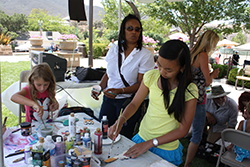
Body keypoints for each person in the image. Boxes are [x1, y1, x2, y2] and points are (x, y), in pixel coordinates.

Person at [108, 40, 198, 166]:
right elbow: (134, 104)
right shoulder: (151, 76)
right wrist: (120, 121)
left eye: (168, 70)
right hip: (142, 138)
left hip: (166, 148)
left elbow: (183, 130)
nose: (162, 72)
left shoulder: (189, 89)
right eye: (159, 65)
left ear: (182, 68)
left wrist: (150, 143)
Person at [91, 14, 154, 139]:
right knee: (103, 133)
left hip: (127, 102)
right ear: (123, 31)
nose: (134, 32)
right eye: (130, 28)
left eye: (137, 29)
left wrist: (120, 91)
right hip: (108, 100)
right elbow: (109, 73)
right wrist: (99, 87)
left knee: (123, 138)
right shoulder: (114, 49)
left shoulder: (145, 55)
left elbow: (142, 85)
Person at [185, 30, 220, 167]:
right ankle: (188, 164)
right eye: (215, 43)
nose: (215, 46)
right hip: (198, 99)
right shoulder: (203, 55)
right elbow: (207, 82)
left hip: (188, 97)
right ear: (210, 42)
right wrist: (214, 75)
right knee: (197, 135)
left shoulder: (191, 53)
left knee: (182, 127)